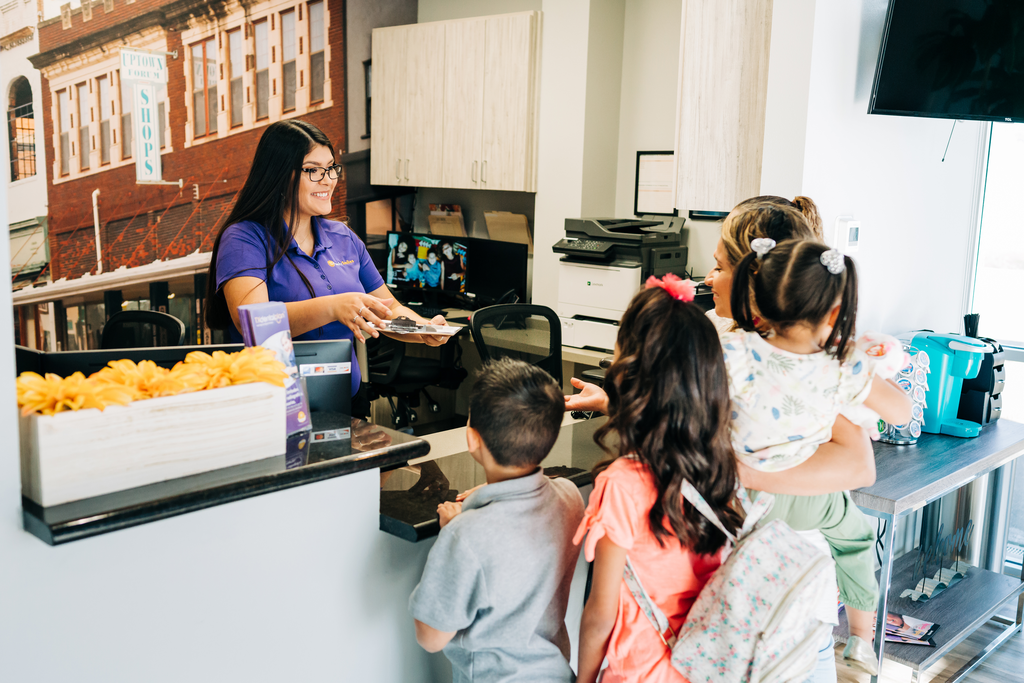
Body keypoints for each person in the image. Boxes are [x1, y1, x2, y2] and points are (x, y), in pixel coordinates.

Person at [724, 237, 913, 675]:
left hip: (737, 501)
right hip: (810, 497)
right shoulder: (840, 364)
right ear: (833, 313)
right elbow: (901, 412)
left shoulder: (731, 351)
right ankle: (863, 639)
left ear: (758, 298)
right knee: (858, 539)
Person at [204, 120, 449, 415]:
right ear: (279, 175)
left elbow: (388, 310)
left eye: (331, 168)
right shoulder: (244, 238)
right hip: (275, 405)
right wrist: (334, 307)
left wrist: (422, 329)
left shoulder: (343, 237)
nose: (329, 180)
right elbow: (253, 322)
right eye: (314, 170)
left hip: (346, 397)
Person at [574, 280, 742, 683]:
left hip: (643, 671)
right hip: (706, 667)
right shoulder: (720, 464)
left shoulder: (621, 485)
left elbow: (601, 613)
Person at [409, 358, 584, 683]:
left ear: (473, 439)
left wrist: (452, 535)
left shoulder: (466, 535)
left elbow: (431, 637)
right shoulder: (571, 498)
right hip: (558, 673)